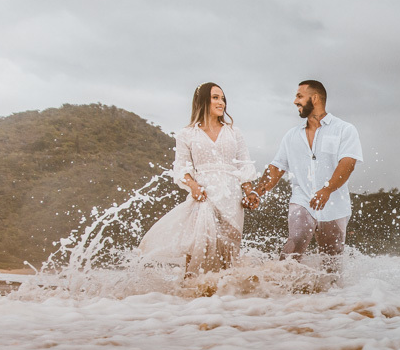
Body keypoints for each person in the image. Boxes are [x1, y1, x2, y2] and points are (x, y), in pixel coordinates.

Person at [139, 83, 258, 273]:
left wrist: (250, 192)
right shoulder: (187, 134)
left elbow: (243, 164)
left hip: (231, 199)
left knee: (228, 255)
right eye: (215, 98)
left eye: (223, 98)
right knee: (198, 247)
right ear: (202, 101)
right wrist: (193, 186)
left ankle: (226, 298)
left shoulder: (234, 132)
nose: (221, 103)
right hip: (204, 196)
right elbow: (181, 167)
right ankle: (191, 294)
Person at [248, 80, 363, 261]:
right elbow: (276, 168)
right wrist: (258, 190)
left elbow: (347, 164)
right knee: (297, 239)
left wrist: (327, 189)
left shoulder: (345, 130)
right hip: (301, 200)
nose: (295, 101)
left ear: (315, 98)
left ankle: (332, 291)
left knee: (331, 261)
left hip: (335, 205)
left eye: (300, 96)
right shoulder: (292, 135)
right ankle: (282, 285)